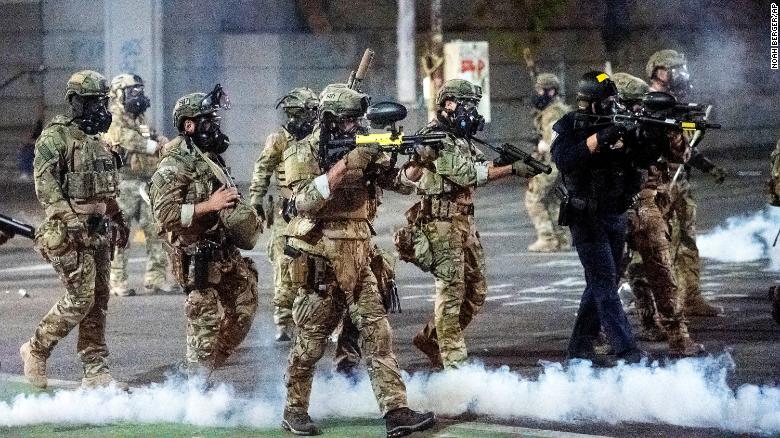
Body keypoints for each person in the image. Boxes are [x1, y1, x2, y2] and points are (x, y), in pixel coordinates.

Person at [281, 83, 435, 437]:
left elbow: (399, 182)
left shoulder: (364, 146)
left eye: (359, 120)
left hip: (360, 258)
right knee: (309, 345)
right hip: (320, 260)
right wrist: (344, 166)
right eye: (350, 120)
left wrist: (417, 161)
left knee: (378, 335)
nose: (358, 126)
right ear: (332, 120)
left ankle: (396, 411)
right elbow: (302, 201)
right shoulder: (303, 151)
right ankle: (294, 409)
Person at [398, 79, 542, 369]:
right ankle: (456, 369)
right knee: (450, 297)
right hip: (440, 225)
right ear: (448, 103)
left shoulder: (458, 137)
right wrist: (511, 169)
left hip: (463, 224)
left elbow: (479, 167)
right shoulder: (435, 137)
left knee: (475, 292)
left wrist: (504, 163)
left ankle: (431, 339)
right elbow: (465, 175)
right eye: (468, 105)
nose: (472, 111)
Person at [20, 70, 130, 389]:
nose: (100, 109)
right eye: (92, 102)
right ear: (75, 102)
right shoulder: (56, 137)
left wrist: (118, 219)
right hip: (67, 233)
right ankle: (36, 349)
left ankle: (95, 371)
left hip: (98, 232)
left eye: (102, 102)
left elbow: (104, 191)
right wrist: (71, 223)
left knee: (98, 299)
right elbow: (47, 188)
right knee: (81, 296)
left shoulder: (98, 143)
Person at [150, 86, 260, 371]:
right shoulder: (174, 165)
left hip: (224, 252)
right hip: (196, 256)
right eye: (208, 121)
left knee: (244, 309)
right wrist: (208, 206)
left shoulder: (211, 159)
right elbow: (164, 214)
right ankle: (197, 393)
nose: (215, 127)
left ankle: (211, 363)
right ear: (189, 125)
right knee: (204, 326)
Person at [551, 71, 643, 363]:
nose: (613, 106)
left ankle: (579, 348)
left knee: (602, 282)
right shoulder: (570, 126)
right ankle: (626, 349)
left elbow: (639, 163)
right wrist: (601, 137)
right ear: (590, 103)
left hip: (614, 212)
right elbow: (564, 159)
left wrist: (635, 137)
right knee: (604, 283)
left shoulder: (616, 124)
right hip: (586, 216)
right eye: (608, 102)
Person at [614, 72, 705, 356]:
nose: (640, 110)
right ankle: (605, 332)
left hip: (648, 205)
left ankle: (677, 335)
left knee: (658, 272)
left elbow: (682, 157)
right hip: (619, 207)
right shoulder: (609, 128)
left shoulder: (649, 126)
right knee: (610, 277)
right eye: (634, 104)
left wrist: (671, 130)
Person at [646, 49, 725, 317]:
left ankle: (691, 296)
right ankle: (658, 303)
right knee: (660, 245)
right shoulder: (646, 102)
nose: (679, 74)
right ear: (658, 71)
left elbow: (685, 149)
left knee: (687, 240)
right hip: (657, 184)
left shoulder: (679, 103)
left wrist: (707, 166)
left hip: (681, 184)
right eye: (673, 69)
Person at [249, 87, 318, 341]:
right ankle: (283, 322)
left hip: (312, 208)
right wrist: (255, 201)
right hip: (284, 212)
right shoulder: (279, 139)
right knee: (282, 264)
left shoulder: (318, 137)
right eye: (309, 112)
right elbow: (262, 169)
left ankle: (319, 319)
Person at [105, 73, 177, 297]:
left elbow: (153, 138)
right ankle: (116, 281)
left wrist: (161, 141)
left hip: (146, 183)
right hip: (123, 183)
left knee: (157, 231)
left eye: (139, 91)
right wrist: (154, 145)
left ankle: (155, 278)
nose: (138, 96)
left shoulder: (140, 119)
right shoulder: (112, 119)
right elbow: (124, 139)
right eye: (132, 92)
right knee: (120, 234)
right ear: (118, 95)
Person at [525, 73, 571, 252]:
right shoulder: (560, 109)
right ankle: (562, 239)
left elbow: (552, 140)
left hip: (551, 164)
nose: (537, 94)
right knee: (552, 201)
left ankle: (547, 238)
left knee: (533, 198)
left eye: (540, 90)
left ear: (551, 91)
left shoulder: (553, 113)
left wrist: (542, 146)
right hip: (561, 163)